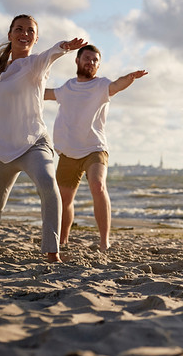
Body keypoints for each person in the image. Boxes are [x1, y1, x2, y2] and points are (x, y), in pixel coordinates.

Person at [0, 14, 86, 263]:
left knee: (48, 185)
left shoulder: (36, 64)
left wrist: (64, 46)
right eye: (19, 29)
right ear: (10, 35)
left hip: (33, 144)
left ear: (35, 38)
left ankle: (52, 251)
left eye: (30, 31)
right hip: (2, 149)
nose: (24, 33)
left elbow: (51, 54)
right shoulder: (2, 71)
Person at [43, 45, 148, 251]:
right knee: (64, 199)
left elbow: (117, 85)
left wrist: (129, 78)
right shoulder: (67, 88)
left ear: (98, 65)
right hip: (68, 152)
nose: (90, 62)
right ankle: (63, 240)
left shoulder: (102, 86)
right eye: (87, 58)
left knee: (98, 186)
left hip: (95, 148)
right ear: (78, 61)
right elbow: (44, 94)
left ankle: (104, 241)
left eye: (95, 60)